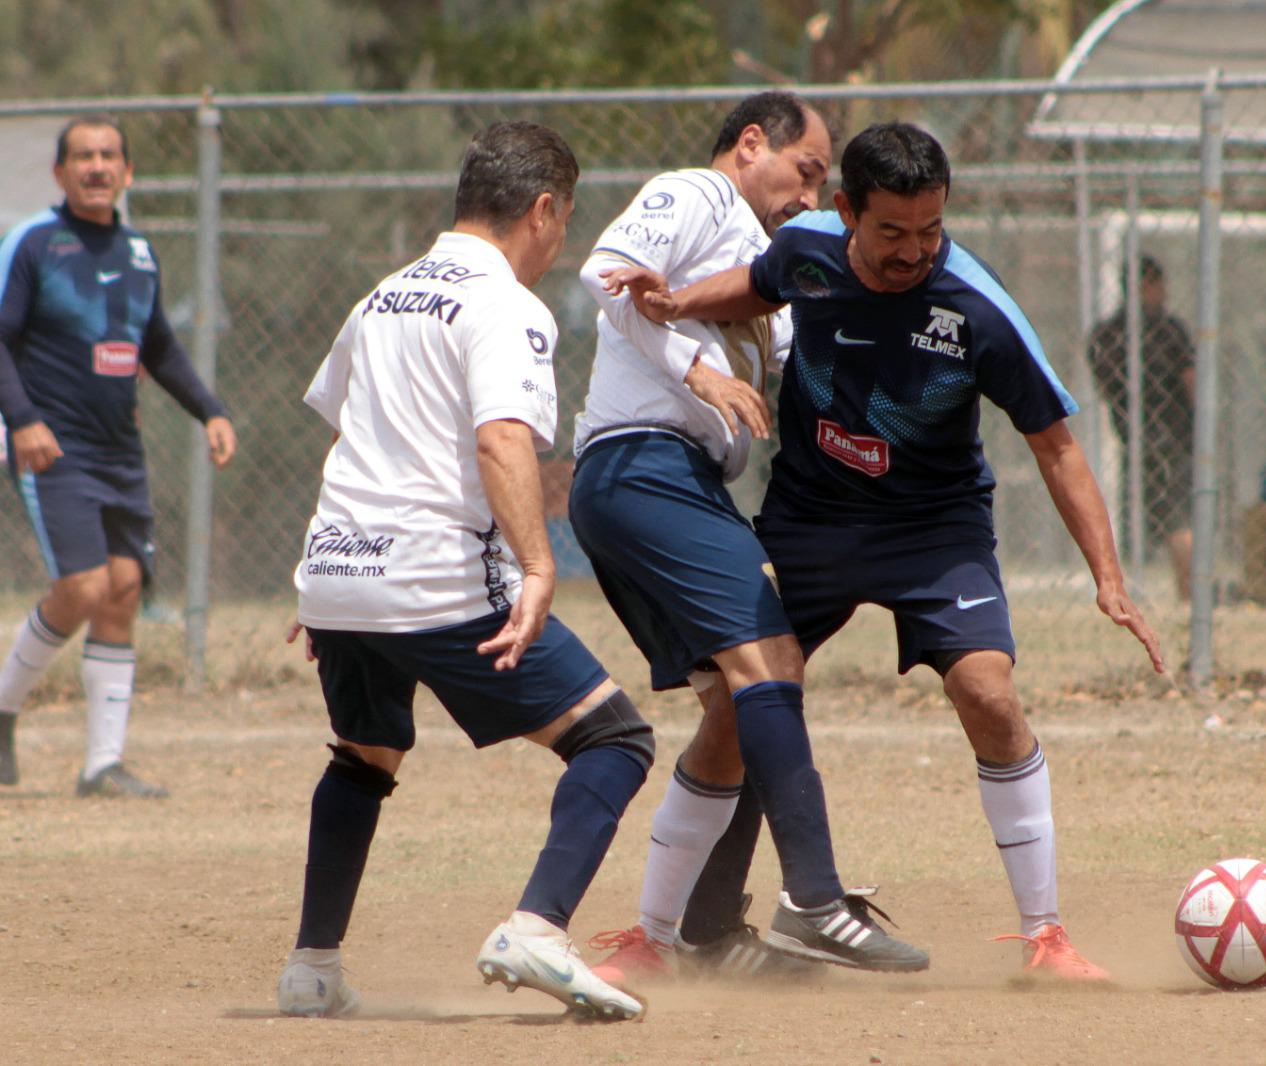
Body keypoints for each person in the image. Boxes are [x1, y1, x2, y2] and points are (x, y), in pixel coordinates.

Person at [604, 122, 1165, 983]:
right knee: (735, 712)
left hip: (933, 532)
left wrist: (1110, 579)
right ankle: (650, 938)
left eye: (931, 230)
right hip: (812, 521)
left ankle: (1046, 937)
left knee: (990, 693)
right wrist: (675, 303)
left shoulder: (978, 307)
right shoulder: (806, 251)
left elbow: (1055, 444)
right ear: (845, 213)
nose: (915, 252)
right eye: (893, 232)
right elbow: (756, 288)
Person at [274, 121, 654, 1022]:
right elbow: (501, 437)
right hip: (432, 575)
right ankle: (537, 927)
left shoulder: (383, 295)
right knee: (614, 738)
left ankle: (312, 968)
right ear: (544, 208)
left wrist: (318, 576)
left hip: (340, 567)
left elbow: (347, 429)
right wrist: (536, 566)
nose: (561, 244)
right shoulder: (506, 305)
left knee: (367, 754)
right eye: (565, 223)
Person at [569, 92, 927, 984]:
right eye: (805, 171)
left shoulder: (774, 269)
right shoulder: (697, 193)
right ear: (751, 145)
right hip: (642, 463)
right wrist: (695, 366)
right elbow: (609, 276)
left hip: (675, 482)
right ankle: (813, 899)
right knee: (773, 667)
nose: (809, 195)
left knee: (734, 711)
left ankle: (677, 940)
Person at [0, 115, 237, 796]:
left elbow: (156, 346)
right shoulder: (34, 243)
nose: (96, 167)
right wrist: (22, 421)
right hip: (53, 448)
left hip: (119, 452)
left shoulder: (138, 250)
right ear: (60, 173)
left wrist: (210, 411)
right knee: (82, 587)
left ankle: (102, 765)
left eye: (108, 156)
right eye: (82, 157)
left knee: (125, 589)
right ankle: (3, 708)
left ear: (127, 173)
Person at [1089, 254, 1196, 599]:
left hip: (1133, 438)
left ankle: (1140, 590)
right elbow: (1191, 380)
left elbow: (1105, 386)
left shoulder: (1105, 335)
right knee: (1179, 520)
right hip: (1175, 436)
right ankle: (1189, 596)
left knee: (1146, 517)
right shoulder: (1169, 330)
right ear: (1146, 285)